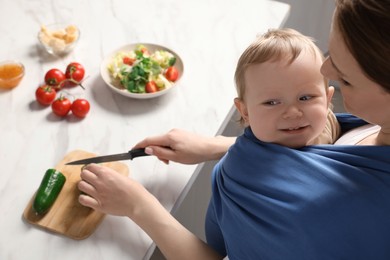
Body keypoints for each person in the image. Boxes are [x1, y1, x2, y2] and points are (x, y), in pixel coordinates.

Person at [78, 0, 390, 259]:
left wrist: (138, 205)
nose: (326, 70)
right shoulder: (375, 131)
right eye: (330, 54)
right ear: (244, 111)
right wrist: (220, 145)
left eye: (346, 77)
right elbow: (322, 157)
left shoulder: (283, 202)